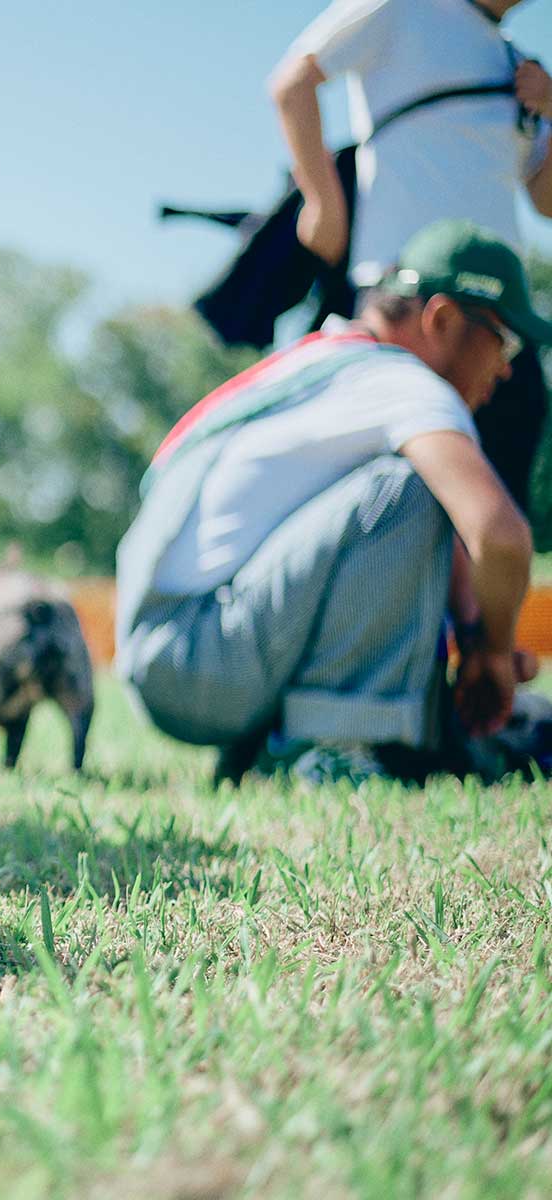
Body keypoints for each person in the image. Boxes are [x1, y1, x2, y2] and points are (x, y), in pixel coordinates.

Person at [116, 221, 542, 785]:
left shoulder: (329, 362)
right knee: (405, 488)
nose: (508, 367)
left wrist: (468, 629)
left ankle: (275, 745)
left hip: (179, 652)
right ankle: (334, 746)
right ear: (440, 319)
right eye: (504, 338)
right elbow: (499, 535)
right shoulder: (403, 382)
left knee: (413, 490)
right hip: (196, 657)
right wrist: (492, 650)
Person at [269, 0, 552, 506]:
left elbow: (545, 200)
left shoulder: (519, 66)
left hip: (498, 317)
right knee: (385, 503)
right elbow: (293, 82)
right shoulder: (402, 6)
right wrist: (323, 202)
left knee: (499, 498)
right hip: (404, 302)